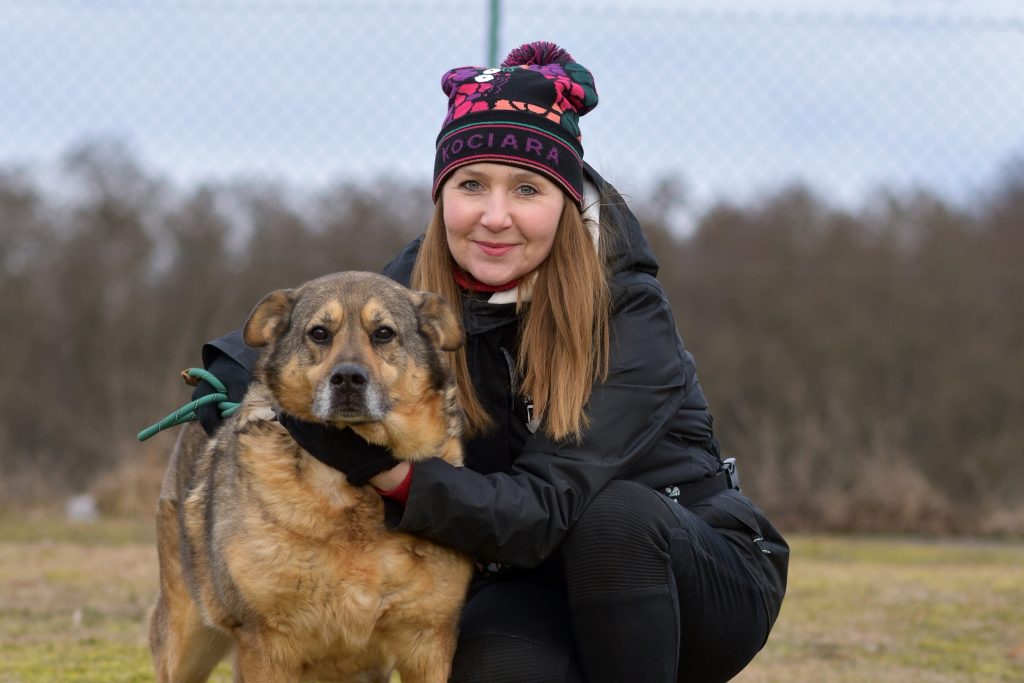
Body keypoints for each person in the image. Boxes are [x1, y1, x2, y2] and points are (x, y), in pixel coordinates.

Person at [193, 41, 788, 683]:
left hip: (684, 572)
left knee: (614, 519)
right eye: (471, 185)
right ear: (442, 195)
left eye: (526, 189)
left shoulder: (631, 312)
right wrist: (234, 388)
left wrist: (385, 471)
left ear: (566, 200)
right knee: (491, 669)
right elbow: (299, 338)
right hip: (529, 577)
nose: (494, 218)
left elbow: (542, 511)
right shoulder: (424, 277)